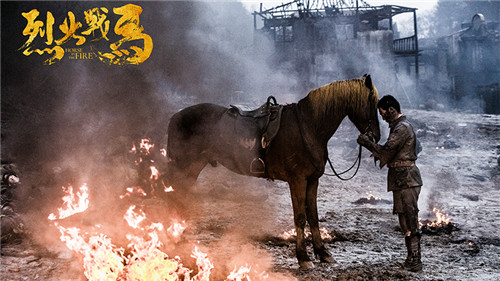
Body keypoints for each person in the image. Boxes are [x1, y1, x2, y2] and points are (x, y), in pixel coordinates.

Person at [357, 95, 423, 272]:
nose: (383, 117)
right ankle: (411, 258)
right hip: (400, 178)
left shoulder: (402, 128)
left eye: (383, 112)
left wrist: (367, 143)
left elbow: (386, 151)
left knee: (410, 219)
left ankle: (415, 260)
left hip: (407, 178)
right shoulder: (400, 127)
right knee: (404, 220)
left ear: (391, 109)